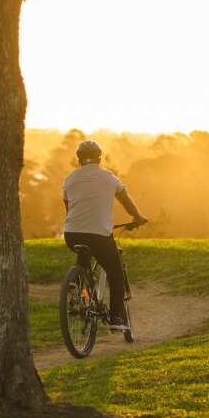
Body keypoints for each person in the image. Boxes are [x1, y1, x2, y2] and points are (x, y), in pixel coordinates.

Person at [62, 140, 148, 330]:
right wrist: (137, 217)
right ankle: (117, 317)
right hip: (99, 235)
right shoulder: (109, 178)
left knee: (83, 257)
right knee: (115, 273)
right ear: (100, 158)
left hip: (71, 234)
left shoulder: (69, 179)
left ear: (79, 159)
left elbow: (70, 208)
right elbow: (126, 200)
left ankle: (80, 290)